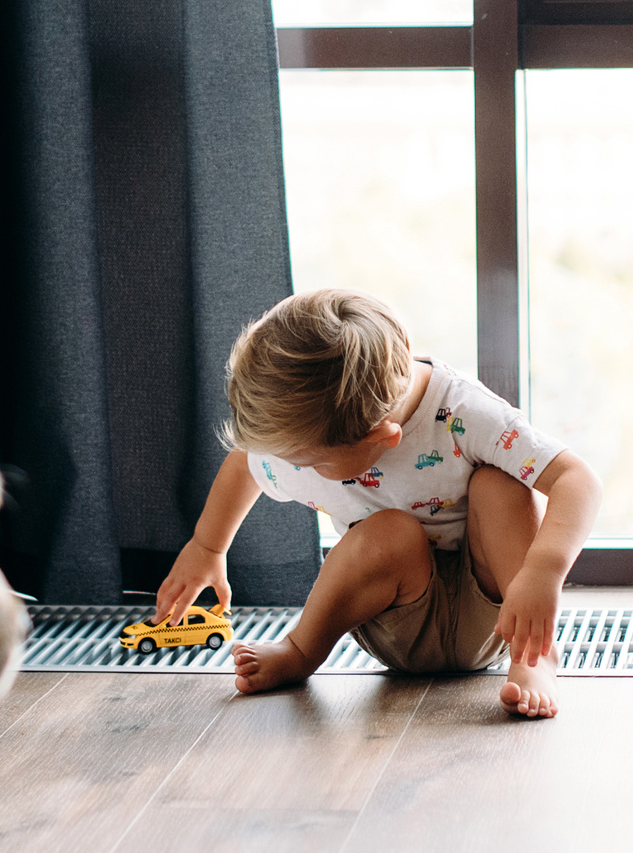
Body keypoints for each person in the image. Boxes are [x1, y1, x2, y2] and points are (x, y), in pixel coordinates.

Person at [154, 288, 601, 718]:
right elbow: (243, 464)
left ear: (383, 439)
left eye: (303, 461)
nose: (289, 466)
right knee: (390, 530)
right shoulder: (306, 438)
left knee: (500, 484)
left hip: (498, 613)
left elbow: (576, 479)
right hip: (396, 621)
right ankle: (300, 650)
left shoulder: (464, 413)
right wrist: (207, 548)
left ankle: (535, 660)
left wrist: (542, 572)